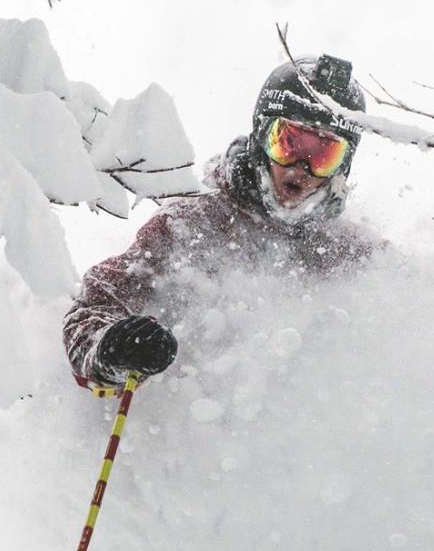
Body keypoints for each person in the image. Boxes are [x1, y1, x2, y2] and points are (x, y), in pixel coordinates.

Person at [64, 54, 381, 387]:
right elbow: (96, 301)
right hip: (194, 421)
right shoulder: (191, 227)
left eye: (323, 156)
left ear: (342, 166)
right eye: (288, 144)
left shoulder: (350, 254)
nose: (301, 168)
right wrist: (111, 347)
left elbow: (420, 308)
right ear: (261, 137)